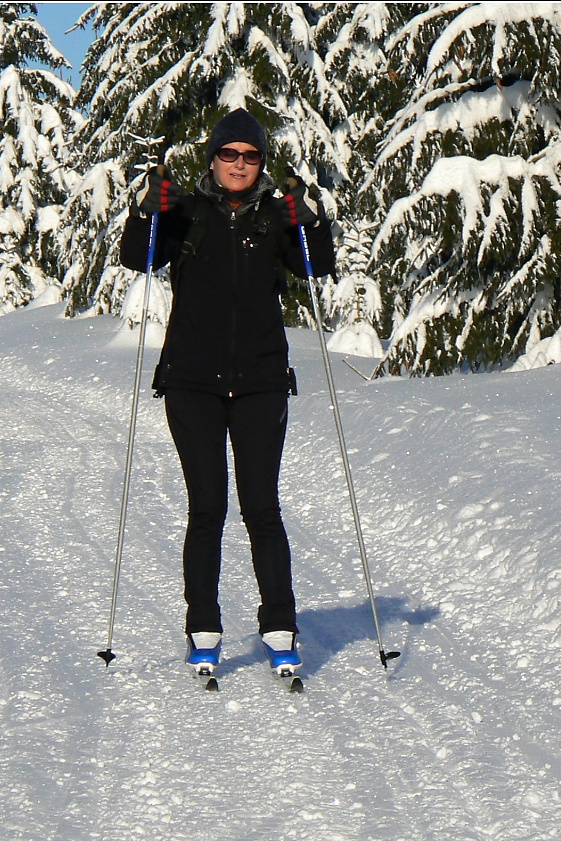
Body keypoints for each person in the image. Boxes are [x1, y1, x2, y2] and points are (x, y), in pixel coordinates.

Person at [120, 108, 336, 678]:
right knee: (208, 508)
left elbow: (318, 266)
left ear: (261, 164)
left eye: (250, 156)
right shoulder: (187, 211)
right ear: (212, 159)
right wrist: (147, 208)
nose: (239, 165)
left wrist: (310, 221)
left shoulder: (274, 216)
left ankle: (281, 628)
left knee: (262, 507)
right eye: (229, 154)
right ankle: (203, 628)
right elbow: (136, 254)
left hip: (262, 381)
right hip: (193, 382)